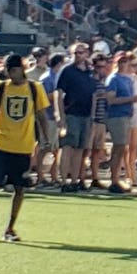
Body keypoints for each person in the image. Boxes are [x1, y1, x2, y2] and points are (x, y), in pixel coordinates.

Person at [0, 54, 49, 242]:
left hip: (23, 144)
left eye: (14, 70)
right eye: (8, 71)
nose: (11, 74)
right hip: (0, 141)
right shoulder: (1, 87)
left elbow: (41, 114)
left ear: (21, 69)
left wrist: (46, 139)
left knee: (20, 187)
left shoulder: (34, 89)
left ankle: (10, 228)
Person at [54, 44, 96, 192]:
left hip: (86, 115)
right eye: (75, 53)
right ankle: (64, 180)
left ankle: (74, 180)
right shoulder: (67, 70)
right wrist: (60, 115)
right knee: (67, 147)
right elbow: (58, 93)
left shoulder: (90, 72)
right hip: (71, 114)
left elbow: (94, 95)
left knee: (80, 148)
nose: (78, 55)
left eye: (81, 53)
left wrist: (93, 115)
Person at [103, 54, 137, 194]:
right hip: (116, 116)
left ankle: (117, 178)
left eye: (126, 61)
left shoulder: (128, 79)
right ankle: (114, 180)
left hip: (126, 115)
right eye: (121, 61)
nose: (124, 64)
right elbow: (111, 100)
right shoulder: (114, 79)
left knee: (122, 148)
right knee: (118, 147)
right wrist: (132, 99)